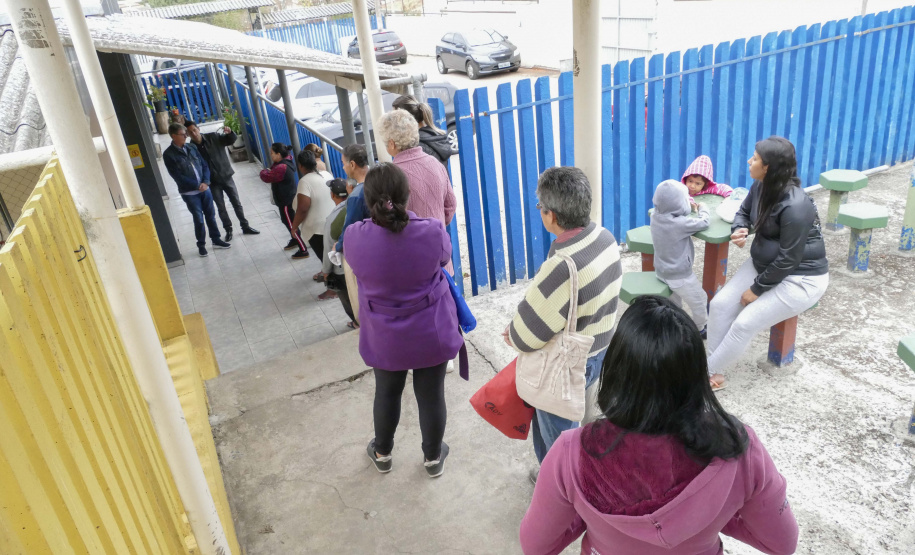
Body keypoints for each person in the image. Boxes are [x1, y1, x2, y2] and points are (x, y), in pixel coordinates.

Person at [519, 295, 799, 555]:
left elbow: (536, 546)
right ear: (696, 374)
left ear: (615, 371)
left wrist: (585, 513)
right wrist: (719, 514)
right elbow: (782, 542)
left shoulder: (571, 453)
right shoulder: (738, 448)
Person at [344, 163, 463, 478]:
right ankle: (433, 458)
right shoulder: (431, 231)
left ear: (368, 199)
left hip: (383, 335)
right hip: (430, 330)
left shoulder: (354, 237)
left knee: (386, 391)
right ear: (407, 194)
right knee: (431, 394)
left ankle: (382, 453)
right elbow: (443, 259)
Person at [503, 167, 622, 471]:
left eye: (540, 207)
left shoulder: (562, 266)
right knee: (579, 426)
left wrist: (512, 333)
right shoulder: (605, 237)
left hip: (568, 366)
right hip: (600, 349)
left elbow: (525, 336)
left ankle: (560, 487)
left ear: (551, 215)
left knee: (560, 442)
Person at [707, 137, 829, 391]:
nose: (749, 162)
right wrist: (740, 228)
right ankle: (713, 371)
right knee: (718, 305)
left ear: (768, 167)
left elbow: (789, 258)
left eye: (755, 159)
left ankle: (703, 374)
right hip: (764, 266)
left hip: (801, 278)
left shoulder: (796, 205)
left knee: (744, 324)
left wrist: (756, 289)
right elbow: (743, 212)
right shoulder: (760, 186)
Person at [379, 109, 457, 274]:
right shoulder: (435, 163)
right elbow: (450, 206)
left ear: (392, 143)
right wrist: (435, 223)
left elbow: (385, 222)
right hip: (440, 257)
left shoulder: (389, 176)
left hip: (411, 265)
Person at [650, 180, 711, 336]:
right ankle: (700, 328)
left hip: (661, 271)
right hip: (680, 276)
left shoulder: (655, 216)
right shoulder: (680, 223)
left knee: (674, 304)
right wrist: (703, 208)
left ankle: (675, 326)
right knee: (700, 300)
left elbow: (671, 209)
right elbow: (704, 222)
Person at [163, 123, 231, 257]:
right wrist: (197, 185)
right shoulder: (169, 154)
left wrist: (205, 182)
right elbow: (177, 176)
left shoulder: (191, 147)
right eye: (183, 134)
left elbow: (204, 165)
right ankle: (201, 245)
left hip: (205, 189)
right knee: (199, 219)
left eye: (186, 134)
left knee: (211, 216)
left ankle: (216, 239)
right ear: (174, 136)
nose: (186, 136)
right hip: (190, 193)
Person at [185, 120, 259, 240]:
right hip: (212, 182)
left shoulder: (213, 137)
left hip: (226, 176)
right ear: (187, 134)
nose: (194, 133)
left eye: (194, 130)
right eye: (190, 132)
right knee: (221, 207)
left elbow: (230, 140)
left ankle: (245, 226)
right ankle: (228, 229)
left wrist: (230, 133)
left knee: (236, 202)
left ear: (198, 129)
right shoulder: (191, 148)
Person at [332, 144, 371, 323]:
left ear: (353, 164)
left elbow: (350, 229)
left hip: (366, 253)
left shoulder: (356, 196)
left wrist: (338, 246)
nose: (343, 167)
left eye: (344, 163)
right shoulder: (379, 181)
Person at [259, 143, 308, 257]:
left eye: (272, 153)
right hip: (287, 199)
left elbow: (266, 176)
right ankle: (294, 240)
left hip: (286, 201)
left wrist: (263, 171)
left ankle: (303, 249)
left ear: (278, 154)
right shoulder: (285, 162)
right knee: (286, 221)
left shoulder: (281, 167)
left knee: (291, 225)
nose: (270, 155)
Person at [322, 178, 358, 328]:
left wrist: (326, 271)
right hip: (359, 263)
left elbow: (328, 247)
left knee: (348, 299)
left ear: (332, 195)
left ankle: (357, 323)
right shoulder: (356, 207)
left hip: (342, 267)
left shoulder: (332, 219)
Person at [292, 150, 335, 268]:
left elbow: (303, 208)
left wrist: (294, 227)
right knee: (335, 258)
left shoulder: (304, 181)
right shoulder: (327, 174)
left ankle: (330, 278)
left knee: (326, 260)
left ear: (300, 166)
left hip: (318, 229)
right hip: (333, 222)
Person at [391, 94, 457, 164]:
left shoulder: (416, 146)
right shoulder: (436, 135)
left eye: (395, 117)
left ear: (405, 120)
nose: (393, 122)